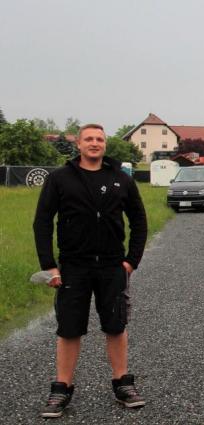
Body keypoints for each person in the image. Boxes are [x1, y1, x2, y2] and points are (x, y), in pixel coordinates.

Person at [33, 124, 148, 418]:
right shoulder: (60, 178)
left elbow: (139, 222)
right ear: (79, 144)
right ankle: (61, 388)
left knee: (116, 325)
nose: (94, 143)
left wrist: (131, 261)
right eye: (89, 139)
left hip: (112, 265)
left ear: (105, 145)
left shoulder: (121, 179)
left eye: (99, 139)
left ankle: (123, 383)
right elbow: (43, 222)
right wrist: (49, 265)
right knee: (69, 328)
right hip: (73, 266)